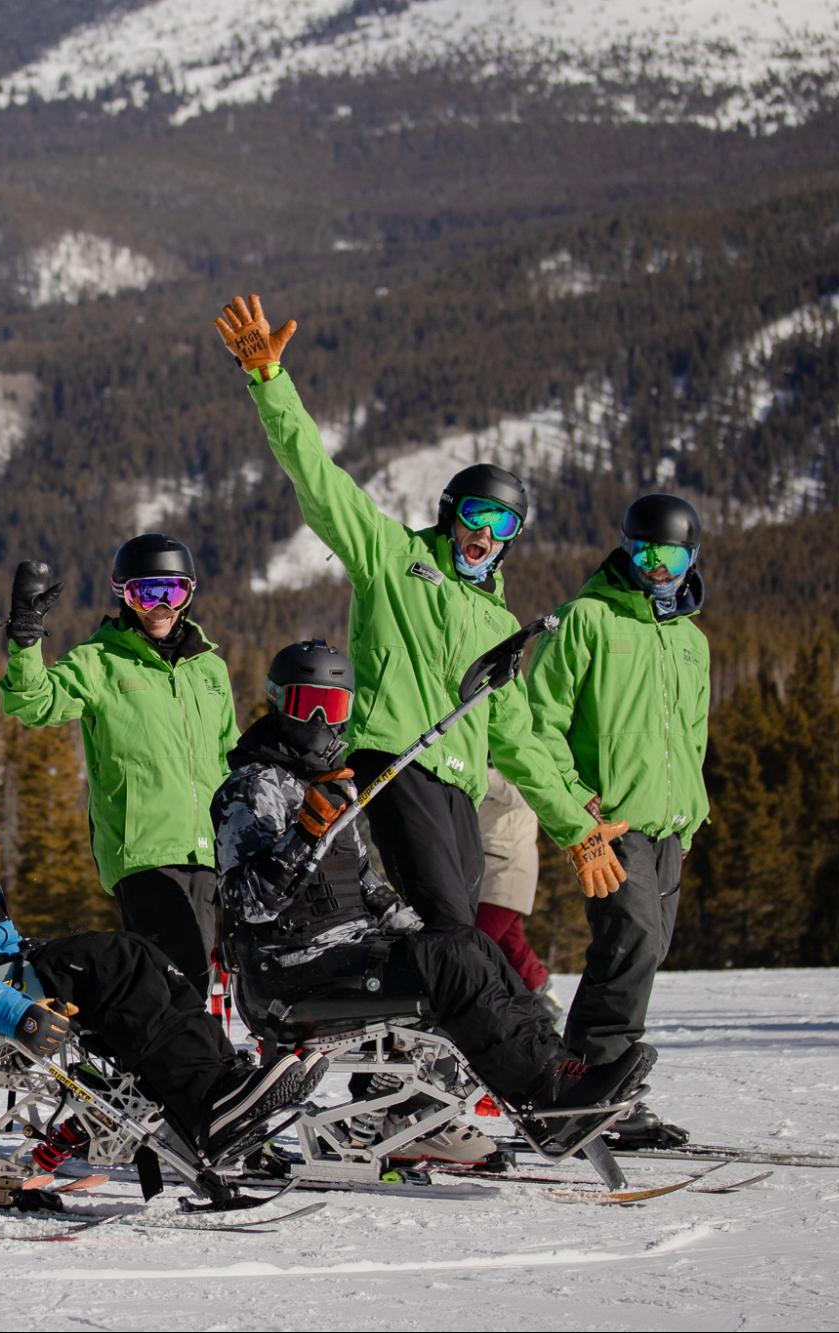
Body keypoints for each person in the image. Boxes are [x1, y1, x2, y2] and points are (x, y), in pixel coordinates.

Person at [214, 293, 627, 933]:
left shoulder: (497, 624)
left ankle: (425, 1032)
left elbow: (516, 737)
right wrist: (270, 381)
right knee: (447, 924)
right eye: (475, 515)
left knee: (454, 925)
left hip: (460, 787)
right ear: (449, 514)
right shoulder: (392, 557)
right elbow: (318, 480)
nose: (484, 533)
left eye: (502, 523)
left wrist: (576, 827)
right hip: (396, 761)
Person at [0, 668, 320, 1168]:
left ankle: (221, 1090)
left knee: (152, 962)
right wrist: (15, 1012)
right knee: (118, 963)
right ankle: (208, 1105)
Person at [211, 639, 657, 1157]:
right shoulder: (250, 788)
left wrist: (423, 935)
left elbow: (365, 884)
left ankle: (555, 1074)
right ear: (277, 702)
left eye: (331, 706)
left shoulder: (332, 786)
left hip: (345, 955)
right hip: (287, 973)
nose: (317, 719)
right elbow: (247, 905)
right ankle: (546, 1097)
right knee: (453, 961)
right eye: (304, 702)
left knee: (469, 946)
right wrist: (304, 836)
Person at [526, 494, 710, 1149]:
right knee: (628, 943)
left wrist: (689, 820)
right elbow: (536, 721)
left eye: (670, 556)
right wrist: (578, 806)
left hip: (668, 824)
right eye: (644, 553)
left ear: (691, 558)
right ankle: (592, 1081)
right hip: (611, 821)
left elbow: (689, 737)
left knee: (645, 949)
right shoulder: (586, 620)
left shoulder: (690, 641)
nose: (656, 567)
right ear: (625, 548)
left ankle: (594, 1085)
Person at [0, 535, 239, 997]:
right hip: (143, 851)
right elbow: (31, 703)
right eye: (146, 592)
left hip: (208, 852)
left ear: (190, 593)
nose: (161, 606)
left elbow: (230, 756)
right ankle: (183, 1067)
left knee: (196, 982)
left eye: (174, 591)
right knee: (176, 979)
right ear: (123, 594)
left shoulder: (211, 671)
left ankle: (191, 1064)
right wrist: (26, 635)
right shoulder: (99, 662)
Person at [476, 768, 566, 1025]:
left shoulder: (522, 774)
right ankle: (544, 1002)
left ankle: (488, 1005)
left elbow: (514, 794)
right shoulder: (498, 772)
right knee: (511, 942)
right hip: (492, 865)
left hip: (508, 869)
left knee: (479, 942)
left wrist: (472, 765)